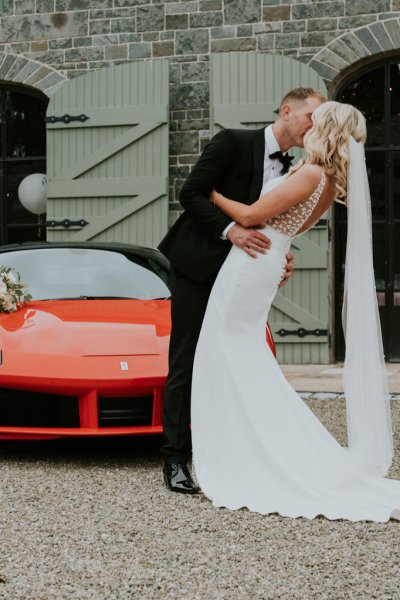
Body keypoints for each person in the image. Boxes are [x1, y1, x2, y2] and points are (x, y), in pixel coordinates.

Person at [191, 101, 400, 522]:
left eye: (316, 123)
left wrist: (213, 194)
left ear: (326, 131)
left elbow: (251, 215)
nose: (309, 126)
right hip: (268, 259)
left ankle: (247, 450)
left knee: (227, 350)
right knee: (243, 355)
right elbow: (286, 225)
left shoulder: (310, 173)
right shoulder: (328, 179)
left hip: (251, 262)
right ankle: (251, 442)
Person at [158, 88, 326, 493]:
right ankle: (175, 461)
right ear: (287, 111)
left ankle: (229, 452)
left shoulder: (297, 167)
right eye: (310, 116)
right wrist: (230, 229)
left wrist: (278, 257)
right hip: (199, 266)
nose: (314, 126)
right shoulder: (233, 141)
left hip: (243, 276)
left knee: (234, 359)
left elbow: (274, 221)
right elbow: (191, 193)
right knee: (187, 361)